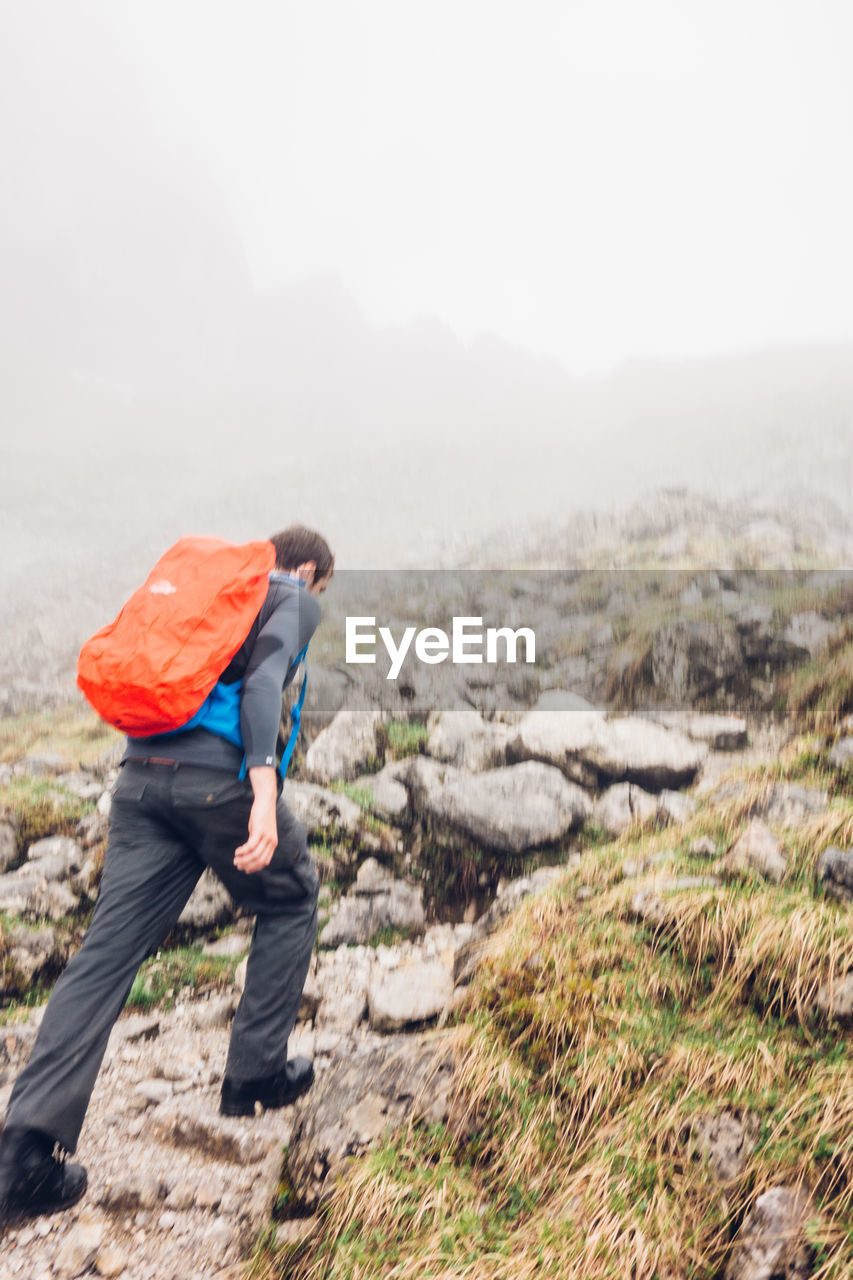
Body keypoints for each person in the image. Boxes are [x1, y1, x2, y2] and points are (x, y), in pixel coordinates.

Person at [0, 524, 334, 1227]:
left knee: (105, 954)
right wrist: (265, 795)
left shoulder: (207, 593)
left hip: (141, 779)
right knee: (290, 897)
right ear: (306, 567)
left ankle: (23, 1156)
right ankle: (253, 1077)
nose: (315, 596)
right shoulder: (289, 592)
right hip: (220, 781)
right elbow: (266, 682)